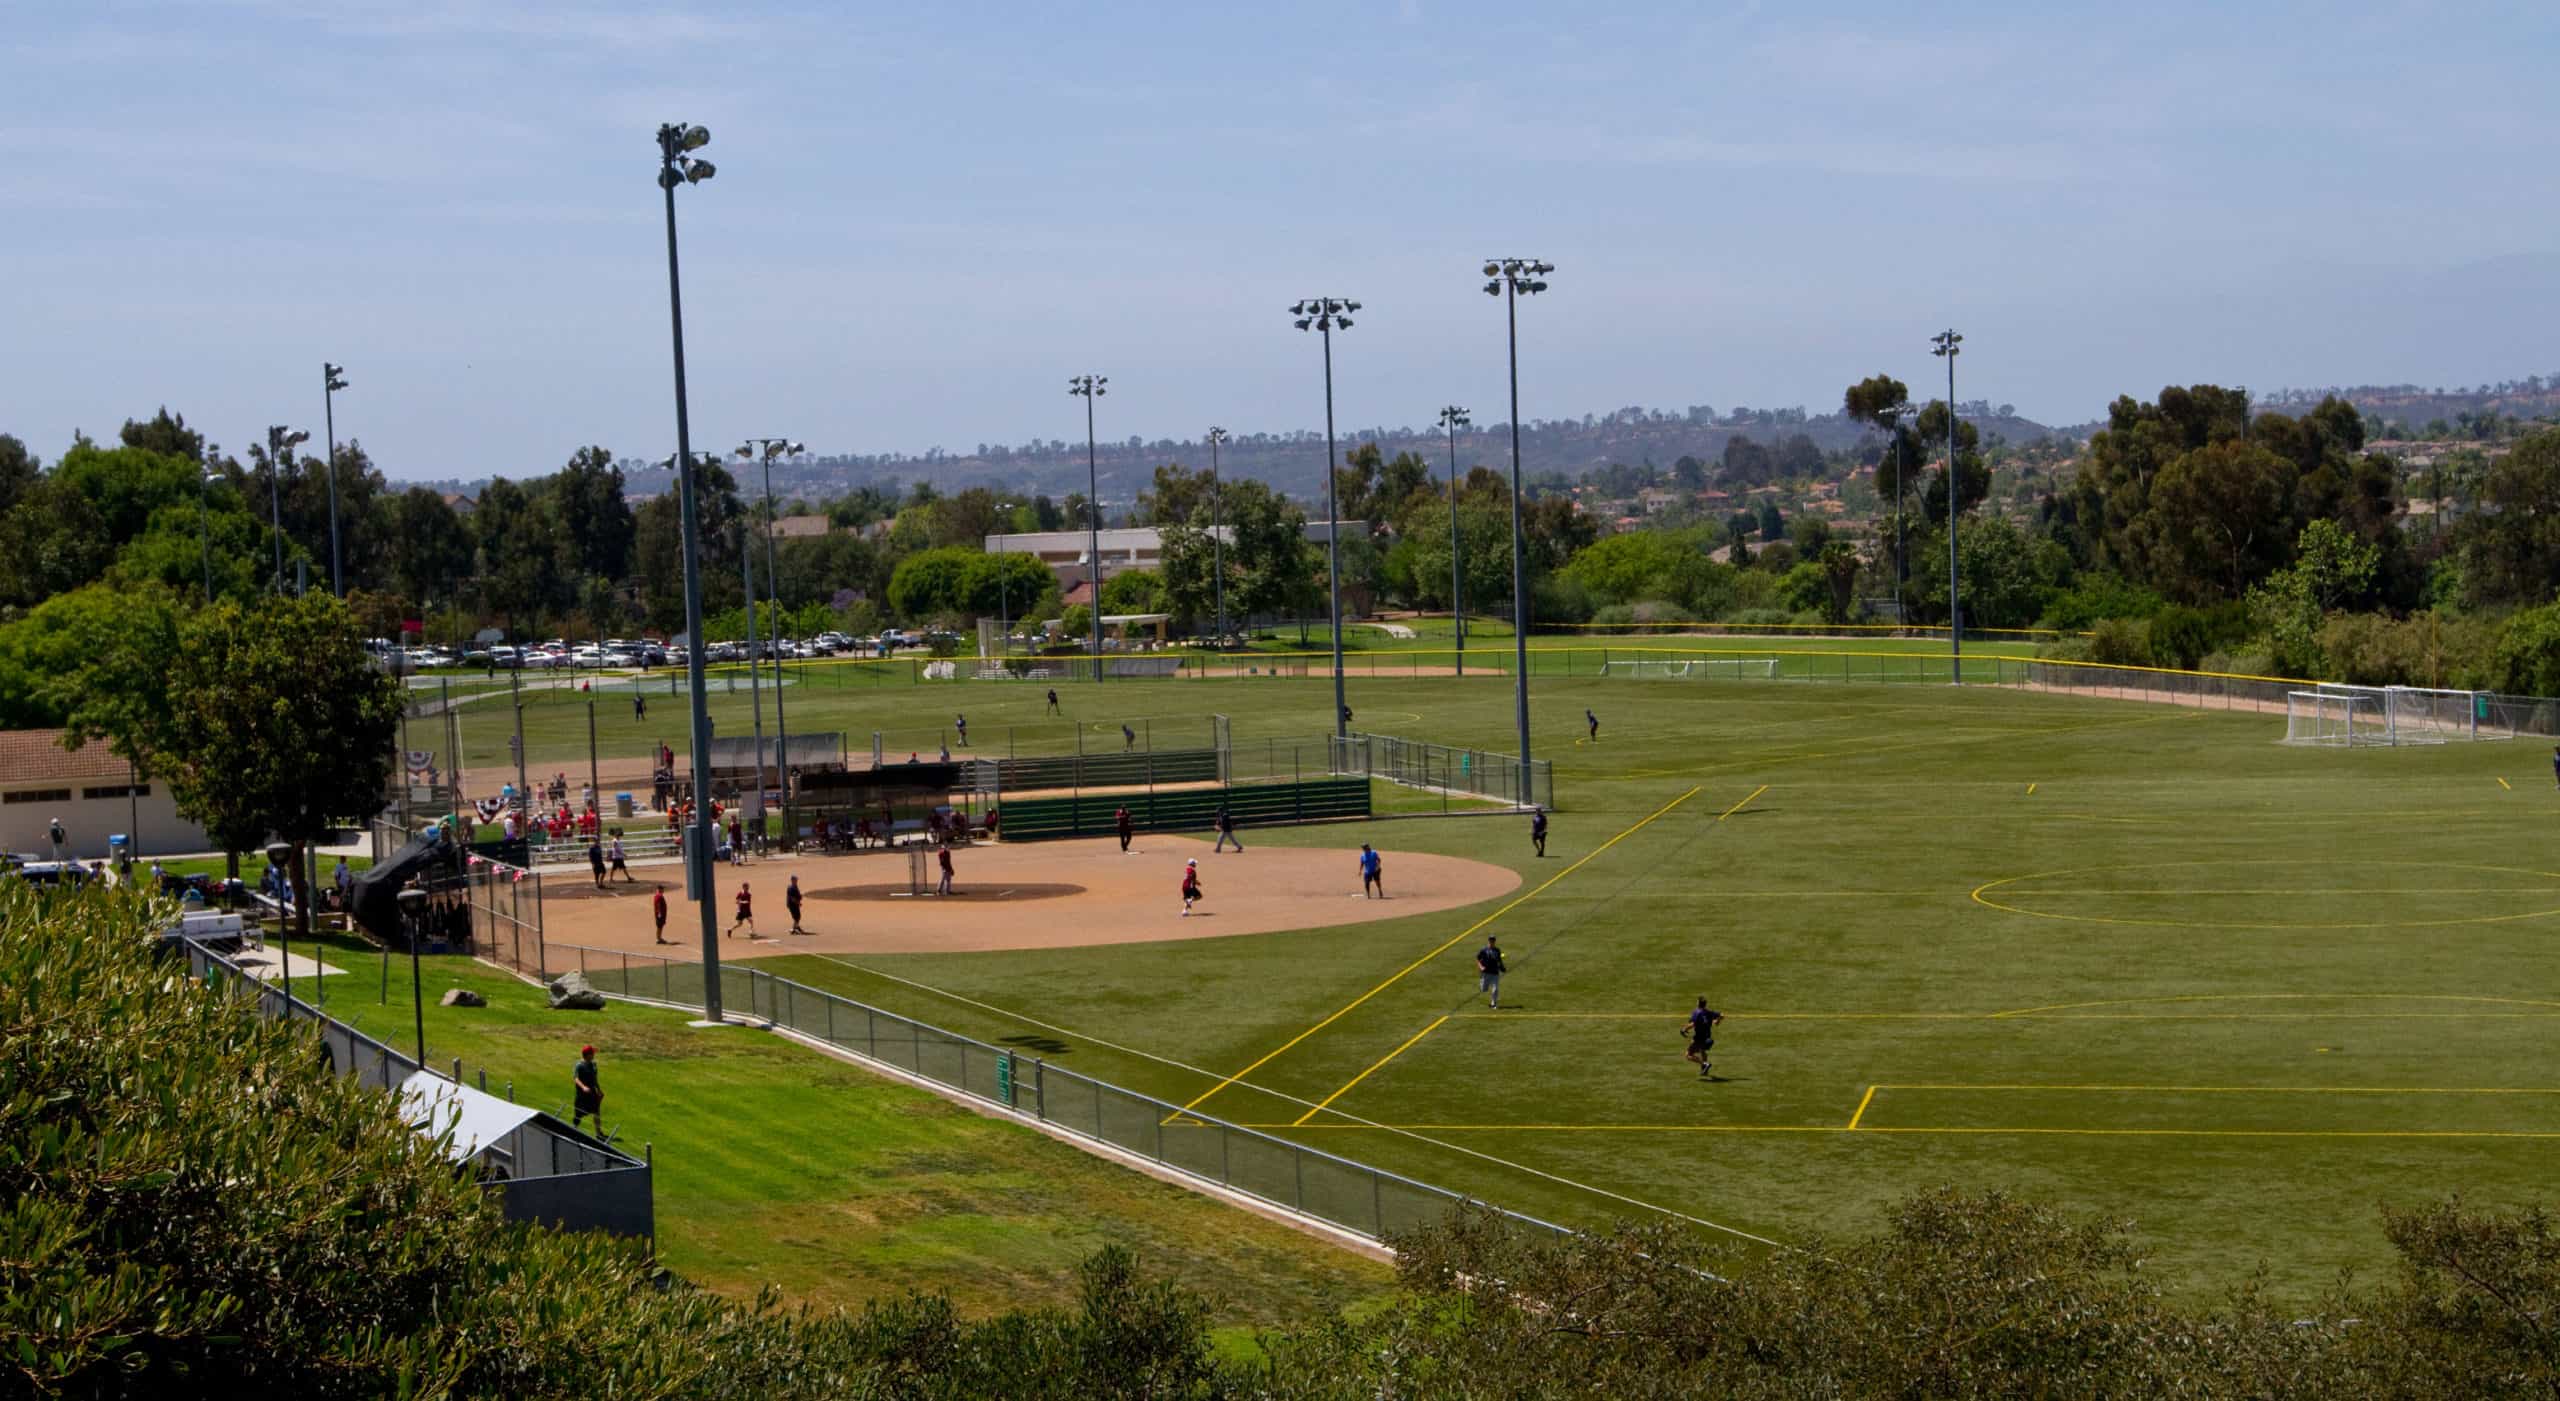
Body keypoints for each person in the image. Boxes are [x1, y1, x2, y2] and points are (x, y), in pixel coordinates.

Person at [1685, 997, 1724, 1079]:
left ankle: (1704, 1064)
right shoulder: (1709, 1012)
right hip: (1707, 1038)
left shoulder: (1696, 1012)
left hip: (1698, 1038)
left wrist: (1683, 1029)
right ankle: (1705, 1070)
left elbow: (1692, 1024)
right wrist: (1717, 1021)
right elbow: (1721, 1015)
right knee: (1702, 1051)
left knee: (1688, 1055)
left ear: (1698, 1003)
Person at [571, 1045, 604, 1132]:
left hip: (592, 1093)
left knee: (596, 1111)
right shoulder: (579, 1065)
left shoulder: (593, 1064)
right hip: (582, 1095)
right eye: (592, 1053)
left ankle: (599, 1133)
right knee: (578, 1114)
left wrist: (599, 1090)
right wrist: (583, 1087)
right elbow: (575, 1078)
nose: (594, 1054)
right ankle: (573, 1129)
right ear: (588, 1055)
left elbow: (594, 1079)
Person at [1475, 936, 1506, 1009]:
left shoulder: (1497, 950)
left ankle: (1493, 1004)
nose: (1491, 942)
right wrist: (1481, 967)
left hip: (1495, 973)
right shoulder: (1484, 950)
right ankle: (1483, 985)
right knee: (1484, 989)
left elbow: (1499, 961)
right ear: (1488, 941)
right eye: (1490, 940)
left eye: (1493, 940)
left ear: (1494, 941)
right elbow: (1478, 959)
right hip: (1485, 973)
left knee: (1495, 989)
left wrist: (1502, 968)